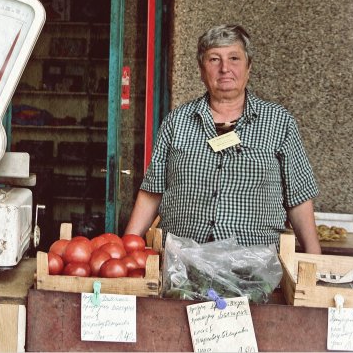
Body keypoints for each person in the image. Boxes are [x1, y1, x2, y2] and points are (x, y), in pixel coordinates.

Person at [124, 24, 321, 254]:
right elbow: (152, 192)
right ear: (201, 69)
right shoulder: (177, 121)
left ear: (249, 67)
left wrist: (313, 260)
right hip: (183, 263)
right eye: (214, 59)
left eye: (234, 58)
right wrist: (125, 249)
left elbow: (298, 197)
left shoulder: (279, 122)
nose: (225, 68)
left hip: (255, 267)